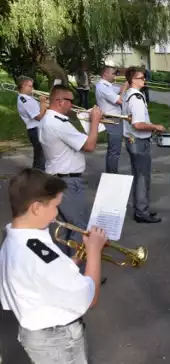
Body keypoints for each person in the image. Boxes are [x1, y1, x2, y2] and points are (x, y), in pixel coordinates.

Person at [0, 168, 108, 364]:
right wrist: (94, 252)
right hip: (58, 341)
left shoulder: (16, 237)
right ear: (36, 208)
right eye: (55, 205)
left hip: (39, 334)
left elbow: (43, 276)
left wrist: (74, 260)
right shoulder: (37, 253)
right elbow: (89, 297)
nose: (57, 213)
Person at [39, 85, 102, 255]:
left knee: (63, 229)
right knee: (78, 228)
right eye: (70, 101)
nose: (72, 105)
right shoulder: (59, 123)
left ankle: (66, 270)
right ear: (60, 101)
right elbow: (89, 146)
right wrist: (95, 121)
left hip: (56, 179)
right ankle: (81, 274)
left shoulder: (47, 120)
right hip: (68, 182)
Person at [123, 66, 166, 224]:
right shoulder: (136, 98)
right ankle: (141, 212)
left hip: (132, 140)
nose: (144, 80)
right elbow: (138, 124)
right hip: (138, 141)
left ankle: (142, 208)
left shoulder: (129, 94)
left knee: (139, 175)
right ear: (133, 80)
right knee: (142, 177)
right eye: (141, 78)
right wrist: (156, 127)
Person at [95, 60, 128, 173]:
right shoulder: (102, 86)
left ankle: (111, 174)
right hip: (112, 119)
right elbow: (119, 100)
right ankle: (112, 175)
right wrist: (124, 89)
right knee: (114, 151)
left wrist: (126, 84)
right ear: (106, 74)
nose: (115, 76)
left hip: (114, 118)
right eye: (113, 74)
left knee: (113, 150)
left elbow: (118, 89)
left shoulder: (107, 85)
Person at [15, 76, 47, 171]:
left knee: (42, 157)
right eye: (30, 86)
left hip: (39, 129)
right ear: (24, 86)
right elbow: (38, 117)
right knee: (40, 159)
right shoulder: (23, 100)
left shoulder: (29, 98)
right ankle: (36, 180)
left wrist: (45, 104)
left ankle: (38, 178)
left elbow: (42, 110)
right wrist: (42, 103)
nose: (32, 88)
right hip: (35, 130)